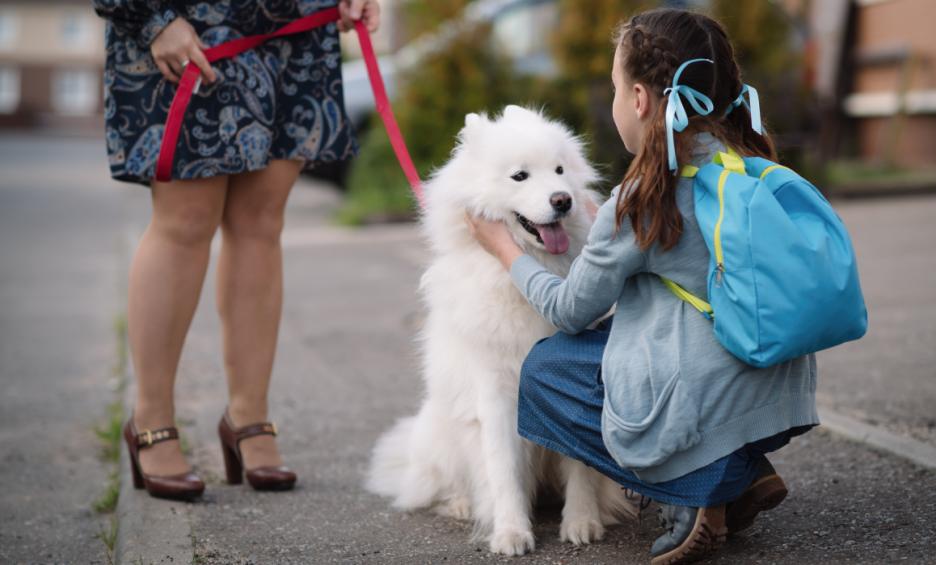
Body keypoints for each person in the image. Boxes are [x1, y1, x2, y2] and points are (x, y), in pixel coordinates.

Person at [465, 8, 818, 564]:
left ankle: (686, 493)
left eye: (612, 87)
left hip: (704, 398)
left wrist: (503, 247)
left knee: (547, 370)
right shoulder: (749, 164)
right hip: (780, 399)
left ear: (637, 99)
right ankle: (742, 468)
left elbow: (569, 311)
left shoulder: (642, 199)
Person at [93, 0, 380, 500]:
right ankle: (152, 420)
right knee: (185, 220)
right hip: (192, 23)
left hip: (293, 27)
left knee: (262, 222)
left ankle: (249, 415)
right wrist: (153, 19)